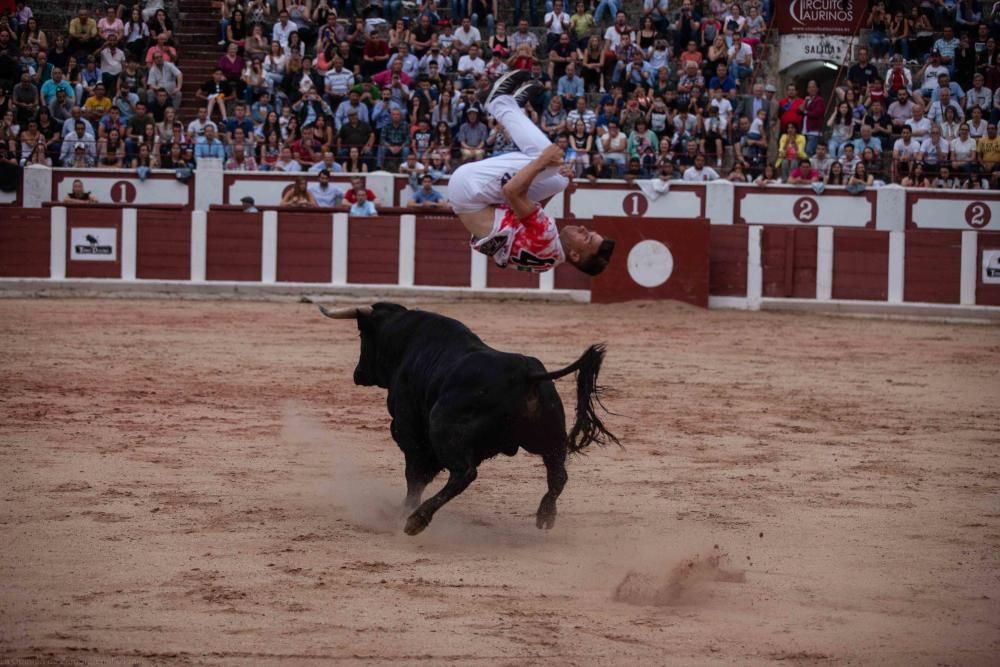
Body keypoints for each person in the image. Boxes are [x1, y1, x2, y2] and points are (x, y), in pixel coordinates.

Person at [447, 71, 614, 275]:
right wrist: (551, 176)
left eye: (586, 237)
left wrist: (544, 161)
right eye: (589, 232)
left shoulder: (546, 236)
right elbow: (526, 210)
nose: (583, 228)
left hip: (469, 188)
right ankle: (510, 109)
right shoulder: (549, 259)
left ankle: (499, 102)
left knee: (549, 162)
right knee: (560, 179)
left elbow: (512, 192)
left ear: (575, 255)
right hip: (477, 201)